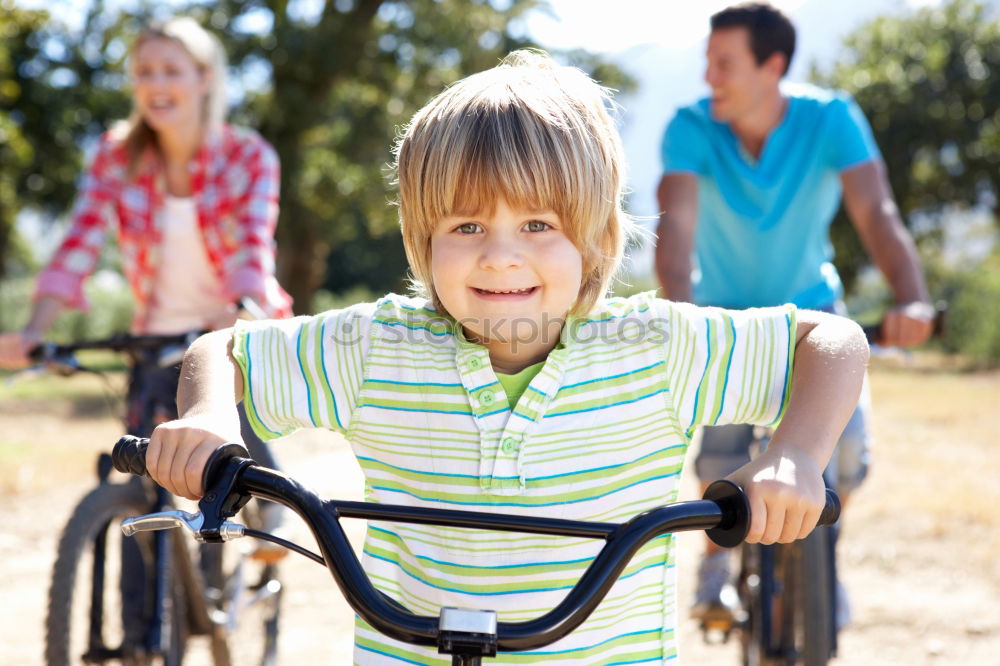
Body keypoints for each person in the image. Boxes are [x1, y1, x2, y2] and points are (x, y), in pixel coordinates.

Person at [145, 50, 868, 664]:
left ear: (594, 237)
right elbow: (226, 349)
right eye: (465, 224)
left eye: (537, 223)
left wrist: (795, 454)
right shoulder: (378, 348)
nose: (499, 255)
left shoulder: (654, 349)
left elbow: (830, 340)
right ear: (422, 237)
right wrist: (209, 413)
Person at [654, 2, 934, 625]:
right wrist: (679, 318)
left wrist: (910, 298)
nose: (710, 78)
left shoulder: (830, 119)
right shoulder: (690, 128)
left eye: (724, 64)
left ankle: (822, 558)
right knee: (721, 460)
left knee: (849, 452)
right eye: (707, 62)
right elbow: (675, 243)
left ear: (772, 65)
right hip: (725, 319)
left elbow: (877, 214)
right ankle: (717, 565)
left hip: (820, 317)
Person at [0, 17, 292, 554]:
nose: (156, 84)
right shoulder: (117, 155)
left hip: (234, 319)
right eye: (144, 72)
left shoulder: (247, 156)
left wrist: (237, 315)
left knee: (225, 419)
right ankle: (142, 637)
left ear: (204, 78)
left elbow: (254, 245)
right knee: (145, 481)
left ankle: (273, 511)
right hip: (156, 332)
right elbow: (79, 244)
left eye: (171, 71)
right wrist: (34, 329)